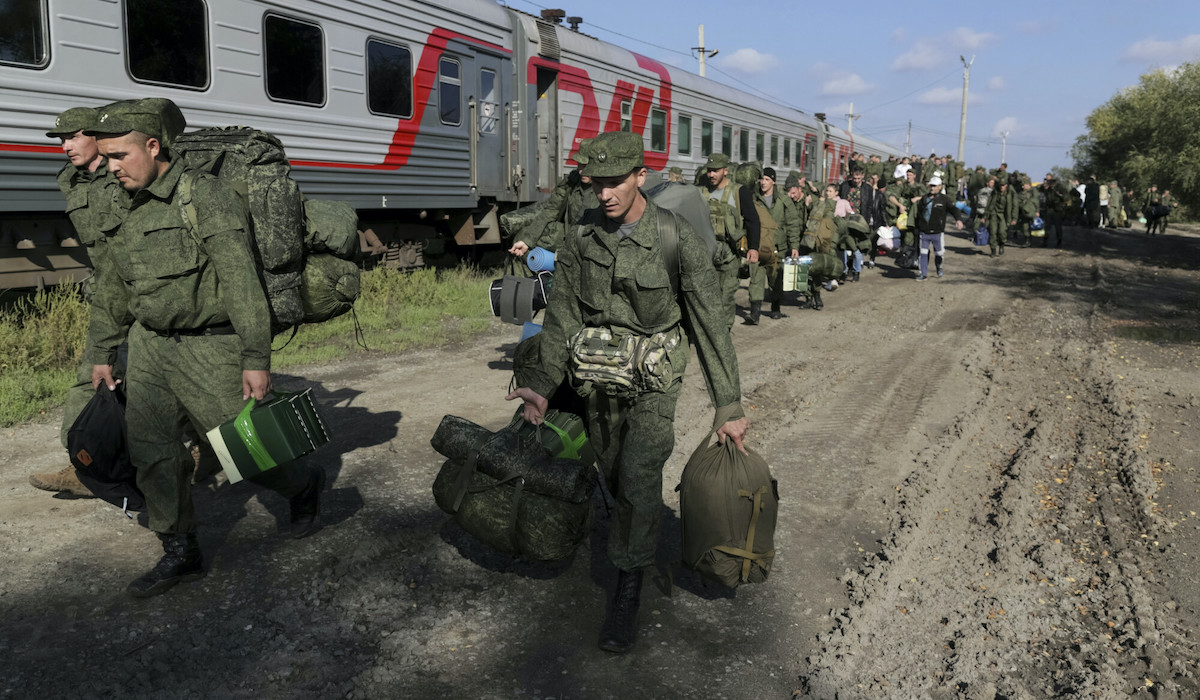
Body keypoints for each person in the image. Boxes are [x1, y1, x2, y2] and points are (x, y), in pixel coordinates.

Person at [505, 131, 748, 653]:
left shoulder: (675, 237)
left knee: (638, 473)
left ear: (641, 175)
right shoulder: (580, 238)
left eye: (616, 182)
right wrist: (543, 387)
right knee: (612, 469)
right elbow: (562, 316)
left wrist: (728, 405)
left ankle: (627, 590)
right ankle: (630, 529)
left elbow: (709, 324)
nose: (606, 194)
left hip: (654, 380)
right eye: (597, 184)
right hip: (597, 375)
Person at [86, 98, 326, 598]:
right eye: (106, 157)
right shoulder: (120, 202)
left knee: (249, 449)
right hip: (148, 347)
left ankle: (303, 483)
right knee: (153, 453)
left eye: (120, 156)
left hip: (210, 347)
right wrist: (102, 351)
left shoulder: (205, 195)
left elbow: (241, 282)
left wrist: (256, 358)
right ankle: (180, 551)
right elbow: (111, 284)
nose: (111, 167)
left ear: (153, 147)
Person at [28, 107, 124, 498]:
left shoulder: (124, 173)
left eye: (72, 137)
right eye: (60, 139)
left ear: (98, 137)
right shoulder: (71, 179)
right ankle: (82, 466)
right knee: (92, 377)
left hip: (146, 290)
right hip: (111, 294)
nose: (65, 146)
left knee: (169, 384)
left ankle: (208, 449)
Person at [700, 153, 759, 329]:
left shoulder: (739, 192)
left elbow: (752, 220)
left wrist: (754, 248)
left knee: (726, 296)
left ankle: (723, 333)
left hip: (730, 254)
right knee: (707, 297)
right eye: (709, 171)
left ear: (725, 171)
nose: (711, 175)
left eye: (715, 171)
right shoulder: (701, 191)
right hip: (705, 253)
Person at [748, 166, 799, 321]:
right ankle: (755, 312)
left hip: (777, 247)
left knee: (775, 279)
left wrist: (794, 245)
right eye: (761, 179)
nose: (763, 183)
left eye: (767, 179)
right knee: (756, 278)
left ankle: (775, 307)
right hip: (758, 245)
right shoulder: (754, 199)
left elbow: (793, 223)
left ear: (774, 182)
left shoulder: (783, 200)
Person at [912, 176, 964, 280]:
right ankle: (923, 274)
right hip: (924, 232)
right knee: (923, 253)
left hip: (937, 232)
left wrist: (958, 219)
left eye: (934, 186)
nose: (932, 188)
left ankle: (939, 267)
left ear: (940, 187)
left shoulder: (945, 199)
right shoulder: (924, 198)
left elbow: (954, 209)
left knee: (939, 254)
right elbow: (919, 213)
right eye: (931, 186)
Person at [983, 178, 1016, 257]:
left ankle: (1001, 244)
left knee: (1002, 232)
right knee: (993, 232)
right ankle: (993, 250)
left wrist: (1014, 218)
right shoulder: (995, 193)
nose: (1002, 187)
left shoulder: (1009, 194)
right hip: (994, 214)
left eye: (1003, 185)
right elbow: (989, 204)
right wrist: (985, 216)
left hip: (1003, 216)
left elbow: (1015, 206)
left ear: (1006, 186)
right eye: (1001, 185)